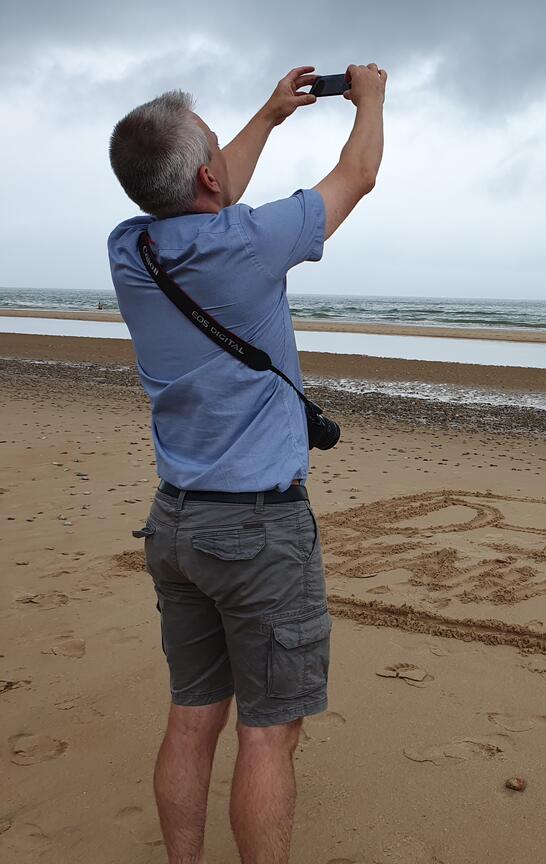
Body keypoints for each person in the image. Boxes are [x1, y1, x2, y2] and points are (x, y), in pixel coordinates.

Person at [106, 63, 386, 864]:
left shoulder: (131, 249)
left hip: (177, 523)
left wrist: (267, 116)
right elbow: (358, 174)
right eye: (214, 152)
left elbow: (203, 186)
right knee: (270, 734)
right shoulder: (249, 244)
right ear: (207, 176)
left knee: (193, 719)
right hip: (259, 531)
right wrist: (370, 99)